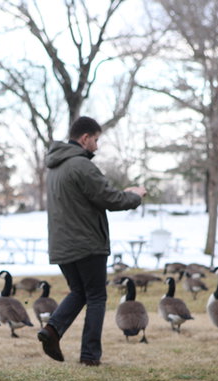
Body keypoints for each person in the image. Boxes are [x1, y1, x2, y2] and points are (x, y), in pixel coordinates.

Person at [37, 116, 147, 366]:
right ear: (84, 138)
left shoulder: (55, 167)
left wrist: (123, 193)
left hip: (62, 244)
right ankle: (89, 356)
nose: (97, 146)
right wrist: (135, 196)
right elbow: (110, 199)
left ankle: (52, 330)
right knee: (96, 296)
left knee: (79, 291)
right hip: (87, 243)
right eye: (96, 140)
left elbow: (95, 196)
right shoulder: (80, 165)